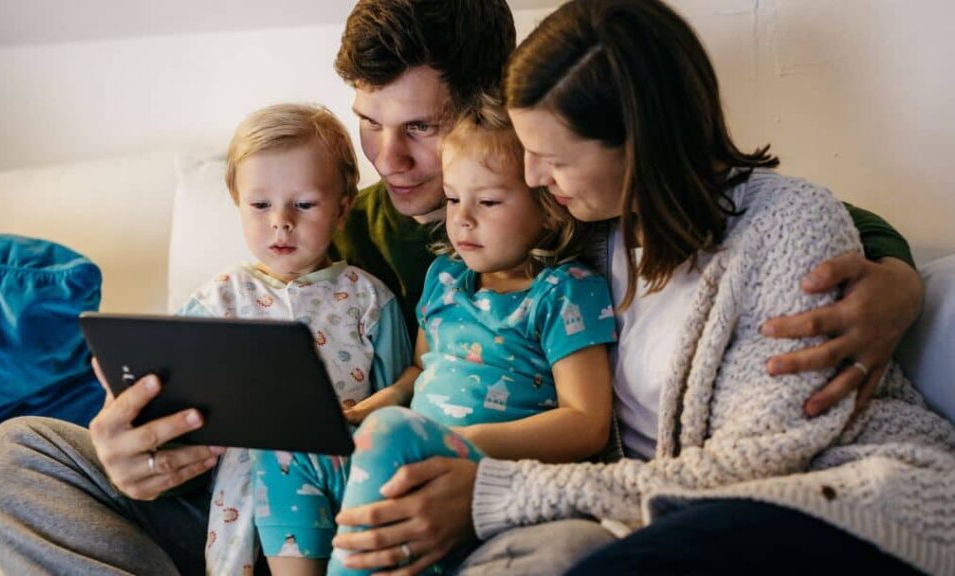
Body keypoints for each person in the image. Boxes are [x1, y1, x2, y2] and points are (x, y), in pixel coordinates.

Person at [0, 1, 925, 574]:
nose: (389, 160)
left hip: (467, 493)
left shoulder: (557, 216)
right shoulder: (358, 221)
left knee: (565, 559)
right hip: (277, 483)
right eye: (367, 123)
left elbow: (774, 232)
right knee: (14, 462)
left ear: (489, 112)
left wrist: (898, 283)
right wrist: (134, 442)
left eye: (418, 130)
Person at [329, 1, 955, 575]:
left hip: (840, 498)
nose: (532, 175)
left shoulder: (784, 225)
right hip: (659, 506)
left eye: (554, 157)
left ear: (641, 142)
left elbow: (760, 462)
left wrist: (495, 493)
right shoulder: (577, 232)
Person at [256, 100, 615, 576]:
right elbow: (417, 373)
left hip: (484, 472)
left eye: (487, 202)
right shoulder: (445, 277)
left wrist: (461, 438)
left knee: (393, 432)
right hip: (408, 455)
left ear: (549, 207)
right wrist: (371, 407)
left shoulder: (566, 292)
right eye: (452, 198)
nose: (462, 219)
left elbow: (587, 422)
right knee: (288, 442)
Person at [172, 103, 411, 574]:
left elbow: (401, 405)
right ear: (237, 201)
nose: (281, 221)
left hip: (340, 496)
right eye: (260, 205)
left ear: (343, 208)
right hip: (233, 510)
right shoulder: (216, 301)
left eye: (304, 204)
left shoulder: (369, 301)